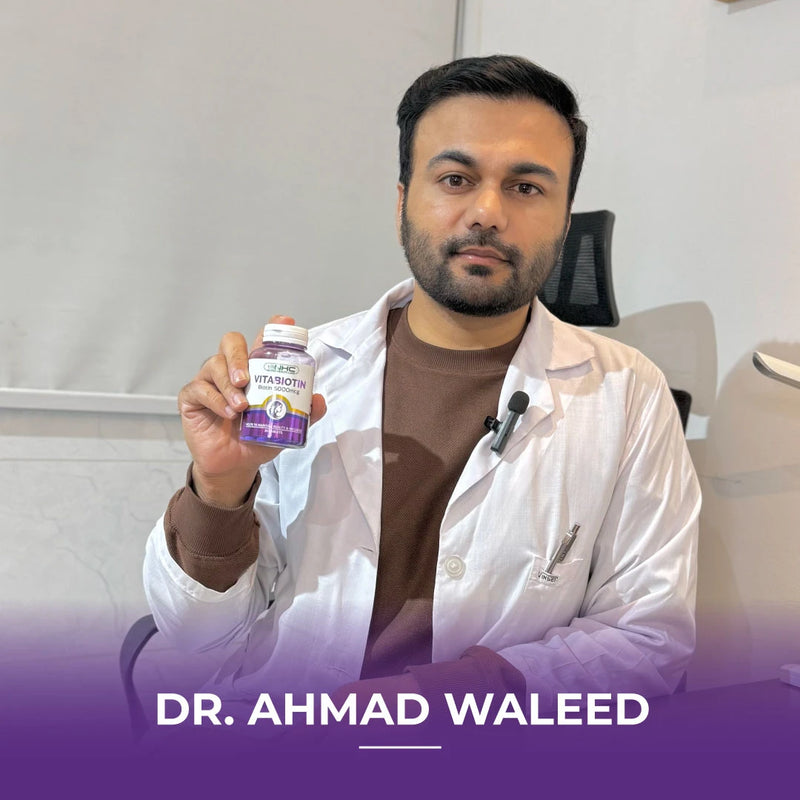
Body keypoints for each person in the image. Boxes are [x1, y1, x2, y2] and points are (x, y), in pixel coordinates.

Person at [144, 55, 700, 708]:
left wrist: (436, 704)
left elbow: (648, 638)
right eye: (457, 177)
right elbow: (197, 636)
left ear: (564, 215)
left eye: (527, 187)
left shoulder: (628, 394)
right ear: (404, 199)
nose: (488, 212)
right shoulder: (298, 376)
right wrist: (218, 488)